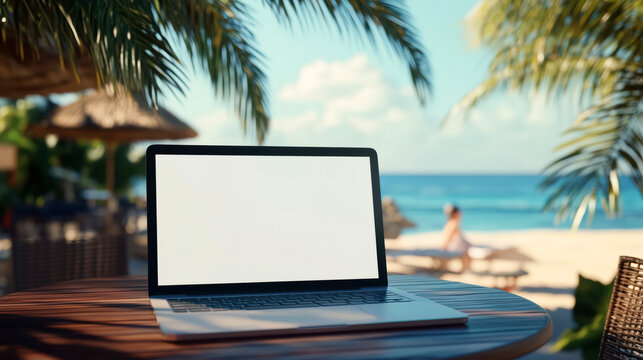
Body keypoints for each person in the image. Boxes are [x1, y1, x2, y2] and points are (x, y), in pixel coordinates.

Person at [441, 203, 472, 272]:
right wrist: (443, 248)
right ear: (456, 213)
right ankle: (465, 269)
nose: (461, 214)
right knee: (467, 254)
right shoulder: (453, 224)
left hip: (458, 247)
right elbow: (448, 237)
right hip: (456, 248)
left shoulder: (451, 223)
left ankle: (465, 269)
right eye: (460, 212)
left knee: (467, 252)